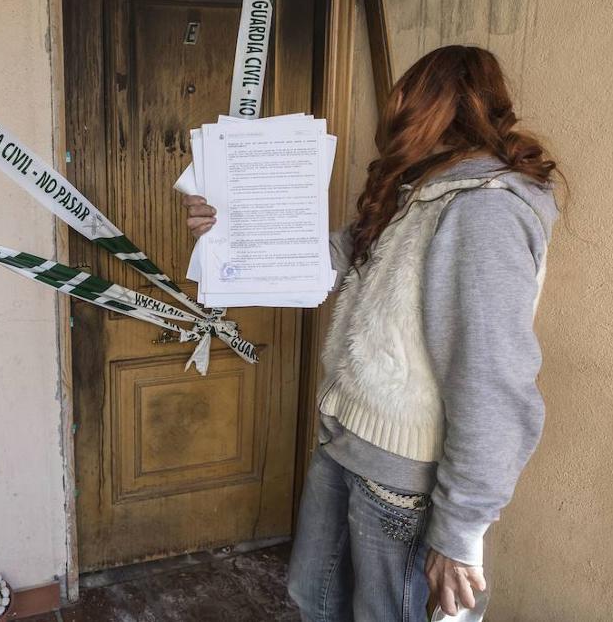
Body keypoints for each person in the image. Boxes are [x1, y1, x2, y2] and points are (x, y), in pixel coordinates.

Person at [183, 45, 560, 622]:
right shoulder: (420, 191)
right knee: (314, 599)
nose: (394, 111)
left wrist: (460, 528)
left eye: (406, 97)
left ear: (436, 105)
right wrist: (225, 229)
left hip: (404, 480)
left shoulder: (484, 213)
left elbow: (492, 379)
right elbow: (326, 261)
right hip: (347, 443)